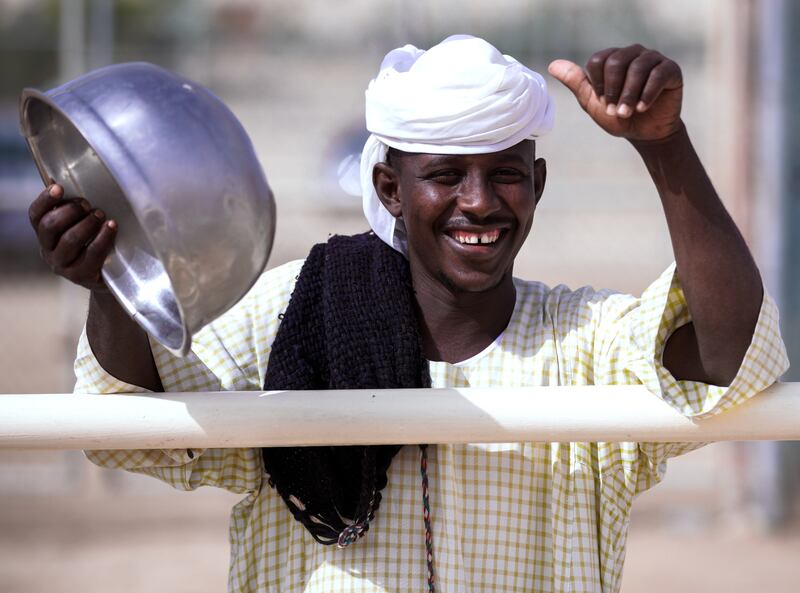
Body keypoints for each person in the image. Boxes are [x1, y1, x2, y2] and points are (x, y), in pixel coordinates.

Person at [29, 36, 788, 593]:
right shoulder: (298, 318)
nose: (479, 201)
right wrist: (111, 280)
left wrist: (664, 145)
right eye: (446, 175)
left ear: (540, 183)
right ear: (391, 189)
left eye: (505, 175)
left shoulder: (584, 344)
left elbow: (730, 354)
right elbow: (134, 422)